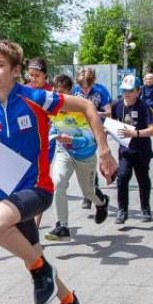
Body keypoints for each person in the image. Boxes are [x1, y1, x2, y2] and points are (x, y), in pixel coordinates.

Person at [0, 40, 117, 304]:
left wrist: (104, 149)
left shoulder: (35, 98)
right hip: (6, 191)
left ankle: (41, 271)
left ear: (16, 70)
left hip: (37, 188)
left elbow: (85, 106)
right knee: (31, 254)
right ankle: (68, 301)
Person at [44, 75, 110, 241]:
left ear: (70, 92)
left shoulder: (80, 110)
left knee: (88, 191)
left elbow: (90, 139)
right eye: (55, 91)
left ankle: (102, 203)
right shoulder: (52, 108)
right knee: (58, 183)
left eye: (61, 92)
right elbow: (55, 128)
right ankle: (62, 227)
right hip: (64, 152)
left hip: (85, 156)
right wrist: (52, 136)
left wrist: (72, 140)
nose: (57, 96)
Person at [112, 74, 153, 224]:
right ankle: (122, 210)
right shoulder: (117, 106)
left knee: (143, 180)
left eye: (130, 90)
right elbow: (113, 123)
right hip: (125, 151)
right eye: (124, 90)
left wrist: (136, 133)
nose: (127, 93)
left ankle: (145, 208)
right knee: (122, 178)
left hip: (142, 151)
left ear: (138, 91)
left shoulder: (144, 107)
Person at [71, 66, 111, 210]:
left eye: (88, 87)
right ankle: (89, 193)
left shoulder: (101, 91)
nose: (85, 90)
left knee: (90, 161)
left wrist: (93, 113)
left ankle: (91, 192)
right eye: (83, 87)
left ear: (93, 82)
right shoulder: (75, 91)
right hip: (80, 129)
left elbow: (108, 113)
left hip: (96, 129)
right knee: (85, 161)